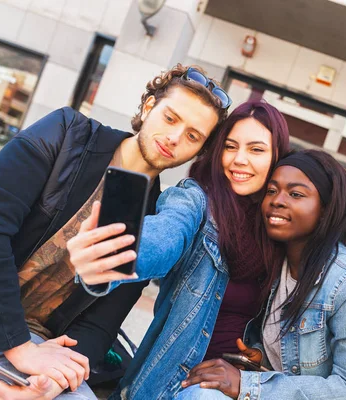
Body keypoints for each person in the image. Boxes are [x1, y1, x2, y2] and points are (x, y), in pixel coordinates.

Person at [0, 63, 229, 399]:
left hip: (38, 344)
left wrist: (54, 382)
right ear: (149, 107)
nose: (175, 138)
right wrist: (17, 346)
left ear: (199, 151)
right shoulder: (65, 134)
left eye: (193, 136)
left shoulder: (152, 219)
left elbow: (100, 326)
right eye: (170, 118)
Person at [58, 100, 289, 400]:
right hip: (176, 386)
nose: (239, 160)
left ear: (276, 157)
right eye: (231, 147)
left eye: (256, 150)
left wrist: (256, 354)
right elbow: (168, 232)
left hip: (244, 388)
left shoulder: (278, 228)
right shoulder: (196, 200)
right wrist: (112, 256)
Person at [180, 150, 346, 399]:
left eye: (295, 194)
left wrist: (249, 385)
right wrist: (261, 358)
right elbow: (299, 358)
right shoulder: (277, 267)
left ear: (327, 209)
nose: (277, 200)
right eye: (272, 191)